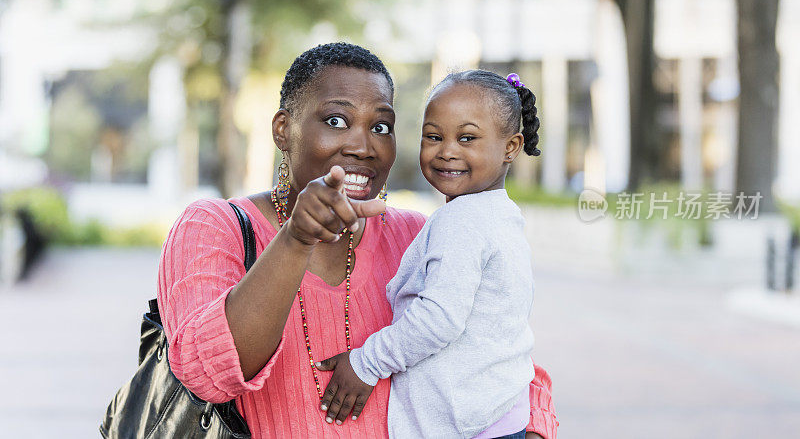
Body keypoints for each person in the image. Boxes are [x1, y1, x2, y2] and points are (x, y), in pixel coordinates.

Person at [157, 43, 558, 438]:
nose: (362, 147)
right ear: (283, 129)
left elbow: (499, 347)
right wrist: (296, 239)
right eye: (335, 121)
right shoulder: (213, 227)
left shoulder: (419, 234)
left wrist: (534, 428)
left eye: (380, 127)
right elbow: (204, 375)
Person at [315, 69, 543, 439]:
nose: (447, 151)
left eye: (467, 138)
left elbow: (439, 318)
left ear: (511, 147)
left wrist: (366, 363)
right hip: (499, 414)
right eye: (433, 137)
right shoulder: (501, 214)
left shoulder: (464, 220)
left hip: (469, 426)